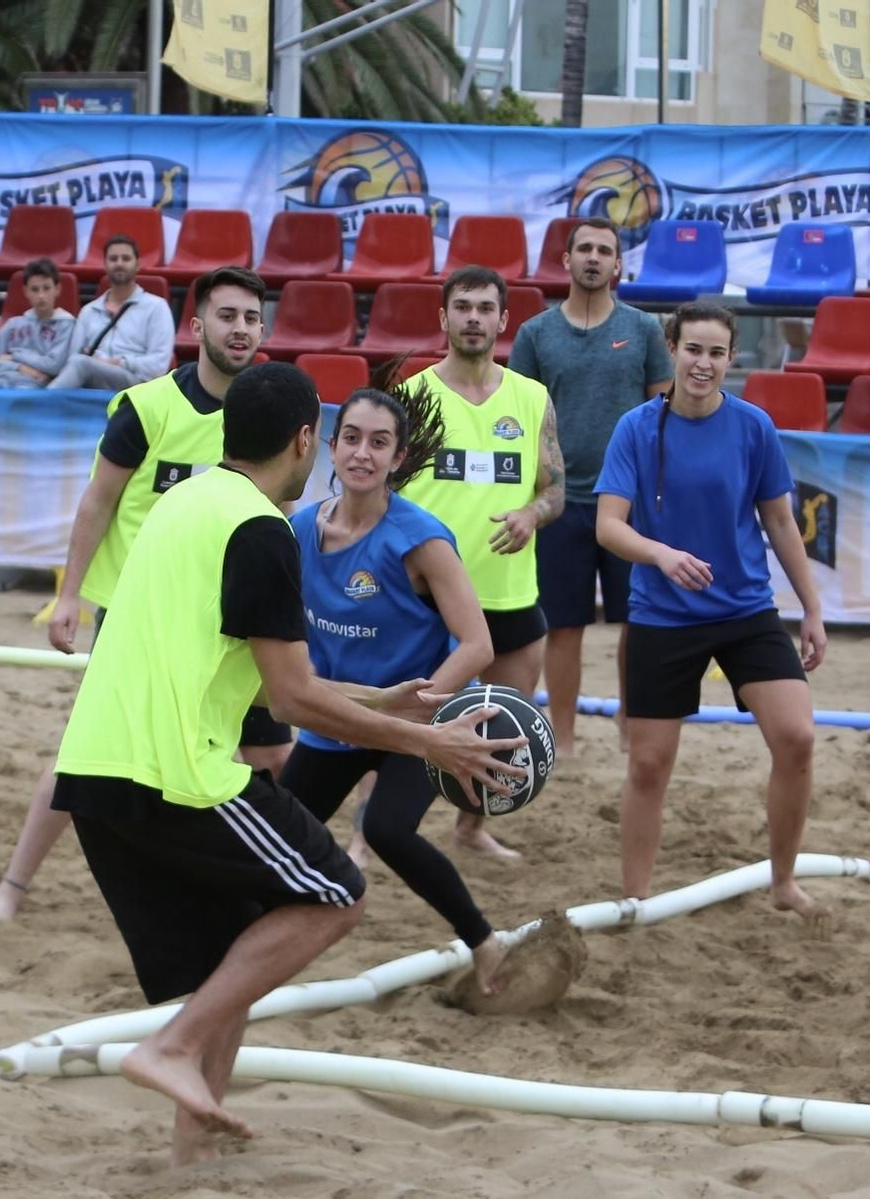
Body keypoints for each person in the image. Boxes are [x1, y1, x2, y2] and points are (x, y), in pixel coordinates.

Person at [50, 361, 524, 1163]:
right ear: (310, 440)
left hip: (95, 771)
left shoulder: (182, 501)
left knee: (238, 949)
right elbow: (295, 700)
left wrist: (385, 704)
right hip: (179, 775)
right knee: (338, 894)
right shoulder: (264, 529)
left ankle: (188, 1154)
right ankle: (170, 1050)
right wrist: (431, 740)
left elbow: (270, 676)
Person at [0, 266, 277, 922]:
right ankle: (13, 888)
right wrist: (69, 596)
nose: (241, 329)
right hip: (139, 614)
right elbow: (98, 502)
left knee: (267, 751)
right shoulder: (147, 408)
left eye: (252, 318)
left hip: (228, 615)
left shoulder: (266, 413)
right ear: (197, 326)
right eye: (228, 316)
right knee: (87, 754)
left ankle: (264, 880)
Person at [593, 302, 827, 917]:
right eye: (693, 349)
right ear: (672, 349)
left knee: (797, 737)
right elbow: (609, 528)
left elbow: (780, 521)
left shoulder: (753, 427)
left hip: (744, 609)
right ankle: (635, 901)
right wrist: (663, 556)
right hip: (663, 615)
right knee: (648, 764)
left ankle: (783, 882)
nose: (703, 363)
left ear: (732, 359)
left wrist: (812, 608)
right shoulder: (637, 429)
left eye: (716, 352)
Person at [279, 379, 513, 991]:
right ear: (331, 446)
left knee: (385, 828)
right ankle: (246, 946)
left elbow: (478, 643)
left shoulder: (421, 538)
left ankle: (485, 944)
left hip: (419, 718)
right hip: (341, 718)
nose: (363, 453)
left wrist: (423, 706)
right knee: (278, 833)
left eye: (379, 443)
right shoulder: (300, 530)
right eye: (352, 438)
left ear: (398, 458)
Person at [398, 266, 564, 860]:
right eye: (462, 306)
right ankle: (375, 829)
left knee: (503, 728)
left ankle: (470, 831)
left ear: (503, 320)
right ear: (443, 318)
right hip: (425, 596)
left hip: (509, 591)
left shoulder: (531, 397)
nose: (474, 317)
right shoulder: (413, 398)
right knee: (403, 720)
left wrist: (532, 515)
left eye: (485, 307)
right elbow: (382, 495)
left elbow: (555, 489)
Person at [508, 216, 671, 753]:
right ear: (567, 261)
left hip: (628, 505)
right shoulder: (535, 334)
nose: (594, 258)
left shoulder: (644, 329)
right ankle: (565, 735)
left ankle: (630, 723)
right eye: (585, 249)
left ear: (619, 264)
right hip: (559, 503)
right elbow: (521, 417)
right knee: (563, 627)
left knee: (637, 624)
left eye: (605, 250)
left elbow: (664, 415)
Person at [46, 235, 172, 391]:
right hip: (91, 378)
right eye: (113, 259)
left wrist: (119, 362)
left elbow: (159, 365)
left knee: (81, 364)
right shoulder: (89, 311)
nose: (119, 263)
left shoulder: (157, 307)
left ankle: (39, 406)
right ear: (105, 264)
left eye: (126, 259)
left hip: (136, 384)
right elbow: (72, 357)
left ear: (137, 264)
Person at [0, 259, 76, 388]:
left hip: (34, 388)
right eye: (35, 289)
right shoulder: (12, 324)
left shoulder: (66, 325)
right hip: (1, 383)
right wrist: (21, 367)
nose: (41, 296)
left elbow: (54, 366)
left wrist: (15, 355)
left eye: (46, 288)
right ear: (26, 292)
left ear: (57, 289)